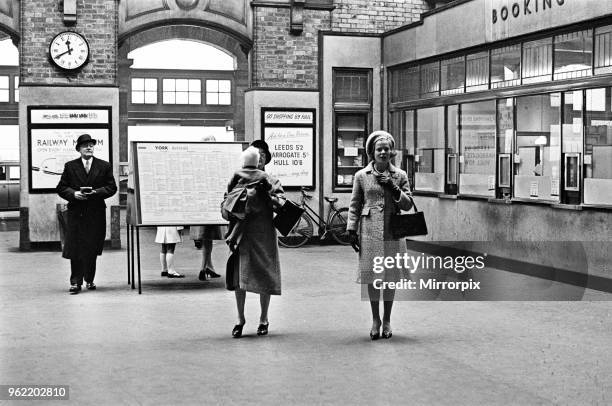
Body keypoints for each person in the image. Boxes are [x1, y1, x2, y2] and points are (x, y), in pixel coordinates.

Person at [346, 130, 413, 340]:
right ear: (372, 152)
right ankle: (375, 319)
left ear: (391, 152)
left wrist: (393, 188)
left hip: (393, 232)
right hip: (369, 232)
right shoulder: (361, 176)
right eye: (379, 149)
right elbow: (355, 204)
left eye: (386, 149)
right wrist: (351, 229)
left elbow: (408, 204)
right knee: (374, 278)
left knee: (390, 278)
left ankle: (387, 319)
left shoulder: (400, 175)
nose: (383, 152)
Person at [227, 140, 283, 338]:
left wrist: (267, 195)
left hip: (264, 234)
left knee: (264, 275)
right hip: (242, 234)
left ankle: (263, 318)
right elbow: (225, 205)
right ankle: (240, 319)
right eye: (256, 155)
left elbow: (281, 204)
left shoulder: (271, 180)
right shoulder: (238, 178)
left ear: (265, 159)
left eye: (262, 156)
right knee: (239, 277)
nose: (259, 159)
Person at [56, 134, 117, 294]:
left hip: (95, 214)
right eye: (85, 145)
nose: (89, 147)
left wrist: (96, 192)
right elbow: (62, 187)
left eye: (91, 145)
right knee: (75, 248)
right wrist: (74, 194)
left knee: (91, 247)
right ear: (79, 149)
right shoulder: (70, 166)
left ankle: (89, 279)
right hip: (76, 213)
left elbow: (112, 187)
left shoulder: (104, 166)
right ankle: (75, 282)